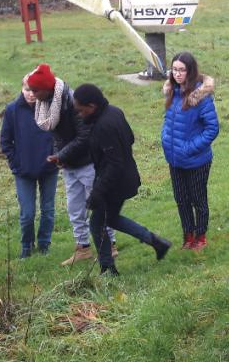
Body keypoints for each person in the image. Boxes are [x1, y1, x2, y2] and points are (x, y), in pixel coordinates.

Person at [72, 83, 171, 275]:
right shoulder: (114, 111)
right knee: (111, 219)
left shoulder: (103, 126)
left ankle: (108, 268)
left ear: (92, 106)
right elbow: (130, 138)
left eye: (81, 111)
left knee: (97, 223)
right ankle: (156, 242)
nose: (79, 115)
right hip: (124, 176)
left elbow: (114, 164)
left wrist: (98, 192)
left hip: (114, 183)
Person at [26, 63, 115, 265]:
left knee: (98, 204)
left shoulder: (72, 103)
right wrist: (62, 156)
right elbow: (60, 137)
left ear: (46, 89)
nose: (32, 94)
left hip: (88, 163)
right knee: (74, 207)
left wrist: (60, 155)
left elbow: (85, 136)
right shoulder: (47, 102)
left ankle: (110, 245)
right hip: (69, 164)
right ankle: (82, 247)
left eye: (35, 90)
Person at [161, 52, 219, 250]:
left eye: (181, 70)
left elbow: (212, 128)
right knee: (181, 199)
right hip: (175, 159)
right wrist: (166, 141)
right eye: (174, 69)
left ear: (190, 71)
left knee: (197, 199)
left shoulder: (201, 97)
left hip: (197, 160)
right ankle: (188, 236)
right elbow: (169, 121)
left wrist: (189, 148)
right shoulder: (172, 93)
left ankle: (200, 237)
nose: (177, 74)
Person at [0, 75, 58, 258]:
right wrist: (15, 163)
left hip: (49, 168)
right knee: (27, 213)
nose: (31, 95)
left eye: (34, 91)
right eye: (27, 90)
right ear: (21, 89)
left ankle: (44, 245)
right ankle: (26, 246)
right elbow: (5, 141)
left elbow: (60, 133)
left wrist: (56, 155)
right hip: (24, 171)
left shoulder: (50, 107)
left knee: (48, 209)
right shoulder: (12, 110)